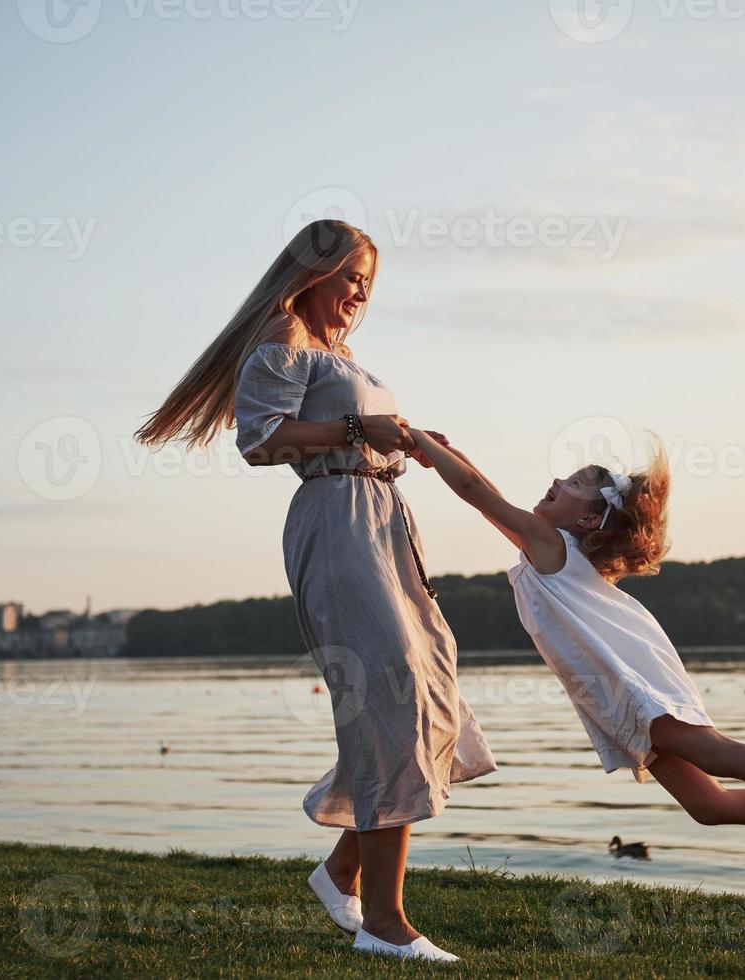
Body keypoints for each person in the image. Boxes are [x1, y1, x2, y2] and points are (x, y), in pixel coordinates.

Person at [134, 220, 495, 962]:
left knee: (428, 692)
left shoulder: (336, 352)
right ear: (314, 271)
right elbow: (261, 441)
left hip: (384, 520)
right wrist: (360, 428)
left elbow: (344, 423)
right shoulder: (284, 331)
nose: (361, 292)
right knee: (391, 695)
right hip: (336, 524)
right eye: (352, 275)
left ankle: (340, 875)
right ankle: (384, 925)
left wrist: (406, 439)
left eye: (370, 281)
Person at [401, 426, 745, 875]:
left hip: (627, 681)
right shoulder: (555, 547)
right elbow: (482, 487)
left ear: (586, 521)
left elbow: (475, 492)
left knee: (714, 752)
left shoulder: (549, 544)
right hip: (618, 680)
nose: (557, 483)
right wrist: (447, 451)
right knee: (707, 803)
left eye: (574, 485)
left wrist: (421, 445)